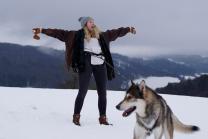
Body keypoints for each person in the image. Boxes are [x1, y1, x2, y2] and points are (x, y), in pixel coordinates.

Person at [32, 16, 136, 126]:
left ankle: (103, 118)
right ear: (85, 24)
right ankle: (76, 117)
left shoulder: (102, 35)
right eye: (90, 21)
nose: (93, 23)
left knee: (102, 93)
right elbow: (59, 33)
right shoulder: (76, 35)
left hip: (100, 63)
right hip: (85, 62)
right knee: (82, 92)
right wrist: (42, 30)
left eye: (93, 21)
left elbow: (117, 32)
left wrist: (128, 29)